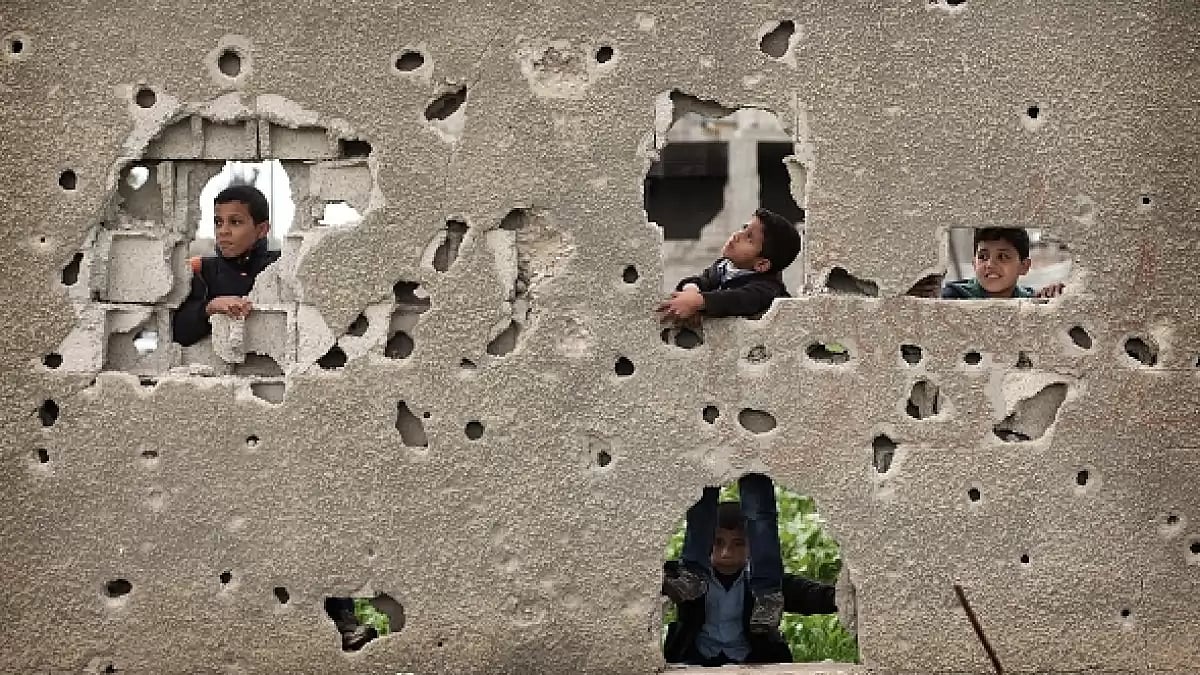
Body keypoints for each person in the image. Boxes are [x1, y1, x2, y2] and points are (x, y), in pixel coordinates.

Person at [656, 208, 803, 633]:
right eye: (743, 229)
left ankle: (767, 590)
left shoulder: (767, 287)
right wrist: (690, 290)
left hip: (756, 418)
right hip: (714, 412)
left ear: (762, 263)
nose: (737, 235)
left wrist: (701, 303)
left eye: (750, 237)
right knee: (701, 497)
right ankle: (694, 575)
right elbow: (703, 281)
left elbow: (745, 300)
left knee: (758, 508)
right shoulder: (722, 269)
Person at [661, 495, 838, 666]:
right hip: (695, 657)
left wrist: (843, 597)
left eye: (738, 544)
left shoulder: (764, 582)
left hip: (753, 660)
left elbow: (806, 595)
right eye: (718, 542)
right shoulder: (687, 578)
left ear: (753, 546)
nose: (726, 552)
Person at [172, 185, 281, 346]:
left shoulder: (281, 268)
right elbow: (176, 333)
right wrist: (209, 308)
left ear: (262, 229)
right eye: (218, 222)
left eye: (235, 222)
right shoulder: (202, 271)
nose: (223, 231)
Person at [941, 227, 1064, 299]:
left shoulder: (1029, 299)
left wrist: (1054, 297)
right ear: (974, 263)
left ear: (1024, 266)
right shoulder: (954, 295)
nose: (990, 264)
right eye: (983, 257)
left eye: (1003, 256)